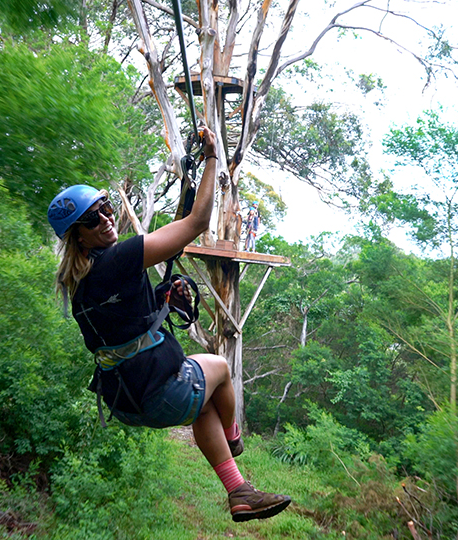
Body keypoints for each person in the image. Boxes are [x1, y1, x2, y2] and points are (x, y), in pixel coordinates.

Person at [47, 127, 290, 522]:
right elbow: (196, 223)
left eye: (107, 208)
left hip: (125, 401)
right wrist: (213, 158)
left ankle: (239, 492)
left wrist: (162, 299)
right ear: (78, 236)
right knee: (220, 368)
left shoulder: (80, 284)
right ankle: (233, 439)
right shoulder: (119, 258)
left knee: (204, 401)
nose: (107, 218)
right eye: (94, 219)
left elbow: (122, 322)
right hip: (160, 392)